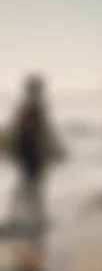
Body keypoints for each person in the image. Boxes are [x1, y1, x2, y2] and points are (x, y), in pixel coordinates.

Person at [11, 74, 54, 228]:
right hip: (30, 147)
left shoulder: (31, 107)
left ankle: (30, 217)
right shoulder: (33, 107)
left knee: (31, 182)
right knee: (32, 182)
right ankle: (30, 218)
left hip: (29, 147)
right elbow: (38, 129)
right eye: (38, 89)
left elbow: (40, 129)